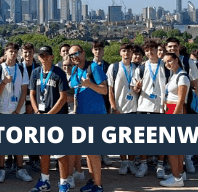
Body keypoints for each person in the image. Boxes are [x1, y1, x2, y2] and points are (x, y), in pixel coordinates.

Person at [28, 46, 71, 192]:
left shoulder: (59, 73)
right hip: (41, 117)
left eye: (46, 55)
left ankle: (64, 183)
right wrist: (36, 111)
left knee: (60, 153)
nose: (43, 57)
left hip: (56, 117)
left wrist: (50, 115)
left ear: (52, 57)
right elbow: (32, 94)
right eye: (41, 55)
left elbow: (63, 97)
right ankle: (44, 181)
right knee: (43, 152)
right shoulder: (35, 72)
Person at [67, 45, 106, 192]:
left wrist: (89, 84)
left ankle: (98, 185)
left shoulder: (93, 67)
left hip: (96, 115)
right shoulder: (75, 70)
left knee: (93, 152)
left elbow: (104, 89)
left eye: (76, 53)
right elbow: (73, 94)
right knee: (88, 153)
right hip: (82, 115)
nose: (74, 57)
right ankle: (93, 180)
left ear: (83, 53)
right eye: (71, 55)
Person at [0, 43, 32, 183]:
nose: (13, 54)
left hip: (17, 111)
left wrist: (17, 110)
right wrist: (4, 82)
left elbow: (24, 91)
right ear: (5, 53)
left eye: (15, 52)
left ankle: (20, 168)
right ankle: (1, 169)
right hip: (3, 110)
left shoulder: (21, 68)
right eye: (11, 51)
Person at [106, 43, 145, 178]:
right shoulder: (114, 67)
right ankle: (124, 162)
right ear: (120, 53)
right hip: (119, 107)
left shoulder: (138, 68)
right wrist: (113, 107)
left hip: (134, 107)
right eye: (124, 51)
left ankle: (131, 161)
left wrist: (138, 89)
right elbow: (110, 89)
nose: (127, 53)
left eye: (129, 51)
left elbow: (138, 89)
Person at [131, 40, 167, 178]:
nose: (149, 52)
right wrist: (137, 88)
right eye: (146, 50)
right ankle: (144, 163)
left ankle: (160, 165)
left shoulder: (165, 65)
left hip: (160, 106)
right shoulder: (141, 67)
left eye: (152, 49)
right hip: (144, 105)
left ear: (157, 50)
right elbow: (134, 88)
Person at [159, 52, 190, 187]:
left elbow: (181, 100)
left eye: (170, 61)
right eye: (165, 62)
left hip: (175, 112)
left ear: (176, 60)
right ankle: (179, 173)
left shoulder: (182, 77)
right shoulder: (174, 75)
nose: (167, 64)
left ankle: (177, 178)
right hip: (171, 110)